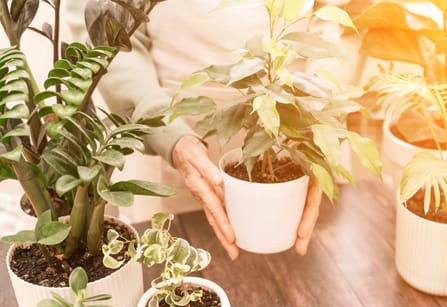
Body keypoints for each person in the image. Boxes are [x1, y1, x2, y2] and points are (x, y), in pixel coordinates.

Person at [65, 0, 323, 261]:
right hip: (178, 141)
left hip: (303, 139)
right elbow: (104, 23)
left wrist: (321, 121)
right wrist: (169, 134)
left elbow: (340, 19)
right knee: (189, 269)